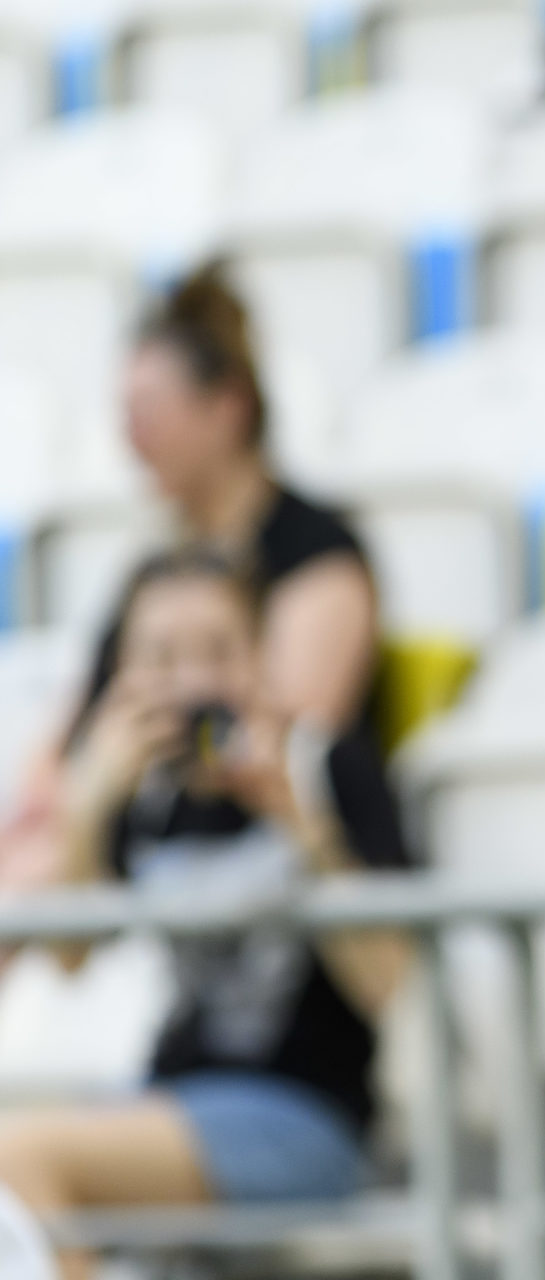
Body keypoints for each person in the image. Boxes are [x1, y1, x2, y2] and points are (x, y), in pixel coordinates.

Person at [0, 549, 411, 1280]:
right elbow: (68, 958)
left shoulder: (327, 765)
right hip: (170, 1099)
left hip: (308, 1119)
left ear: (258, 656)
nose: (191, 682)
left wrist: (300, 825)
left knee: (17, 1153)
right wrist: (88, 804)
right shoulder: (143, 790)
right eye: (160, 656)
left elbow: (392, 985)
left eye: (217, 651)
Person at [0, 265, 381, 894]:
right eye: (125, 414)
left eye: (148, 410)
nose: (130, 437)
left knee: (37, 878)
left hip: (257, 862)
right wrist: (61, 801)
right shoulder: (158, 570)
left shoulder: (317, 556)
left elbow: (282, 742)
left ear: (226, 407)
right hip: (139, 845)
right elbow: (73, 732)